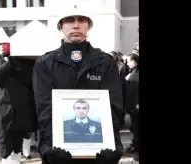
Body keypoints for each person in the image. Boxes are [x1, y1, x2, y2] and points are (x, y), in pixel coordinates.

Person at [32, 5, 123, 164]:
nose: (76, 25)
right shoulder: (45, 63)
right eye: (69, 20)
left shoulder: (105, 62)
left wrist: (111, 143)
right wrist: (51, 146)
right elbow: (44, 108)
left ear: (89, 25)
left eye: (81, 20)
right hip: (58, 152)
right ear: (60, 25)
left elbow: (114, 106)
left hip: (100, 152)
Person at [0, 41, 38, 164]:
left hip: (20, 104)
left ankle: (17, 158)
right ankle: (6, 160)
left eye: (6, 43)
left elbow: (28, 80)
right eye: (0, 44)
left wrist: (17, 61)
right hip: (2, 105)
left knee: (18, 135)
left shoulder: (22, 61)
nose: (3, 46)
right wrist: (10, 63)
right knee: (4, 135)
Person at [124, 53, 139, 161]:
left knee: (137, 129)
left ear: (134, 62)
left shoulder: (136, 74)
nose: (127, 63)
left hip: (136, 108)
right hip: (133, 107)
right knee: (135, 129)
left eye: (129, 61)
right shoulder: (133, 72)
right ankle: (135, 146)